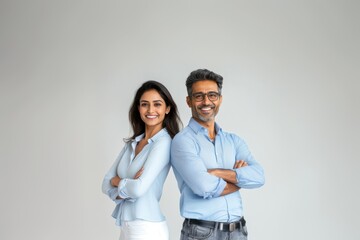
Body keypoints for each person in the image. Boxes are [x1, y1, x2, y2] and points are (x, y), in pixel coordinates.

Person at [171, 69, 265, 240]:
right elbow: (203, 186)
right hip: (202, 233)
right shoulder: (183, 141)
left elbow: (259, 176)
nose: (206, 101)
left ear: (220, 99)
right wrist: (239, 181)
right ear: (189, 101)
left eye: (212, 95)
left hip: (238, 231)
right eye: (199, 96)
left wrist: (217, 173)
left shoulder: (234, 141)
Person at [102, 80, 181, 240]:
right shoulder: (133, 143)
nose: (150, 110)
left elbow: (138, 189)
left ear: (167, 108)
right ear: (138, 108)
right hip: (126, 226)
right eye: (145, 104)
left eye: (157, 104)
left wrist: (117, 182)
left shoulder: (164, 142)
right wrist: (127, 184)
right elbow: (105, 183)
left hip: (146, 228)